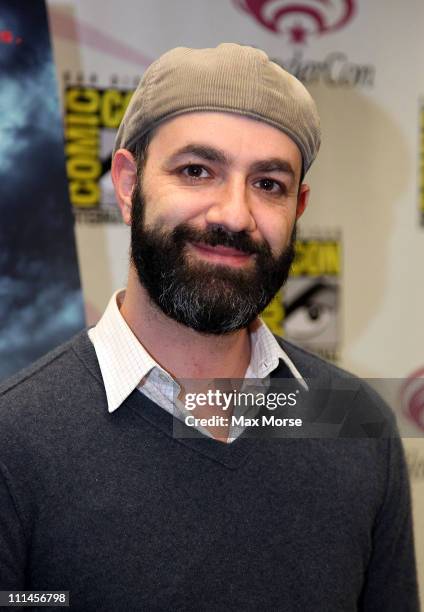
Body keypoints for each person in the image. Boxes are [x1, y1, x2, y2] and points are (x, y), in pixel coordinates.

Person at [0, 43, 419, 611]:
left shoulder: (353, 425)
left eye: (268, 184)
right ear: (127, 184)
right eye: (197, 171)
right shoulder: (16, 439)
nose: (232, 214)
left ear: (297, 208)